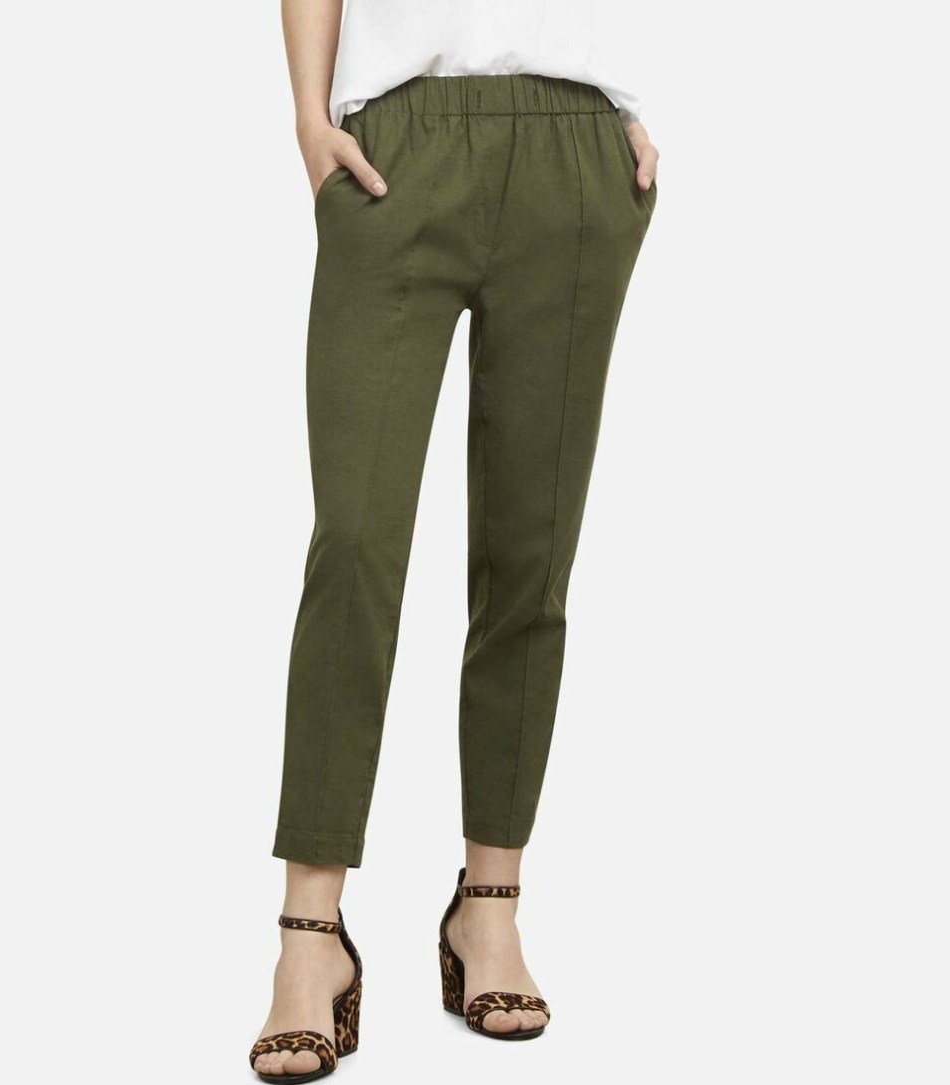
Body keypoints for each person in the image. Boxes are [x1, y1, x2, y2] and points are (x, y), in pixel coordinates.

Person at [250, 1, 660, 1078]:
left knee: (532, 554)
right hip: (400, 141)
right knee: (354, 543)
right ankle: (310, 932)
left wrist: (623, 105)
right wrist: (309, 119)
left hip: (577, 146)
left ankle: (490, 906)